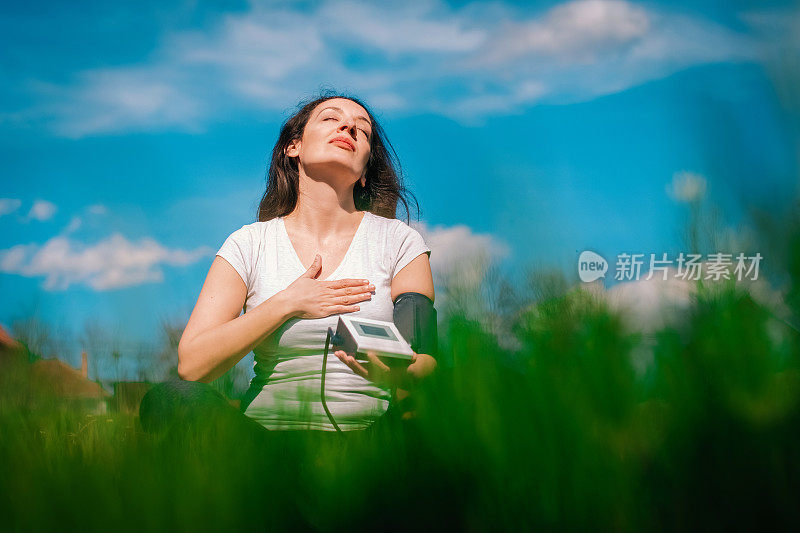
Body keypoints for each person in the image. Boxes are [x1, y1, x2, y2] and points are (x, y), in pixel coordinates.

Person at [139, 94, 437, 439]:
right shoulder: (248, 244)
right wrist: (287, 302)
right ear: (292, 147)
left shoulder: (401, 242)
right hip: (265, 444)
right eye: (330, 118)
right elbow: (192, 365)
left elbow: (425, 359)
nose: (349, 126)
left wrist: (402, 373)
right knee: (171, 400)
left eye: (363, 129)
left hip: (373, 442)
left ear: (366, 170)